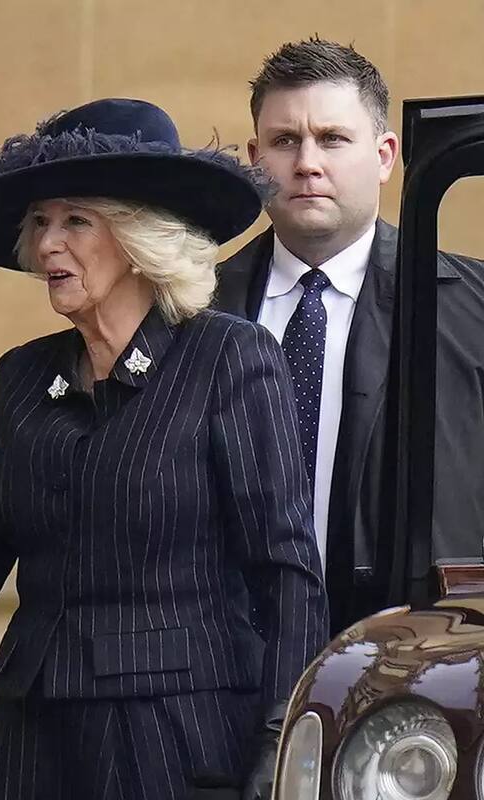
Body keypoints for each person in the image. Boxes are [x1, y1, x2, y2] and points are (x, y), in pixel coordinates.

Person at [0, 98, 328, 800]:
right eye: (39, 222)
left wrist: (283, 734)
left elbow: (284, 568)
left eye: (76, 221)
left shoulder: (230, 358)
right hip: (28, 732)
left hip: (170, 735)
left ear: (142, 238)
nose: (47, 246)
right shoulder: (23, 374)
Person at [215, 37, 484, 632]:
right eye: (285, 141)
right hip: (223, 665)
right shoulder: (191, 311)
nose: (307, 162)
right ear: (255, 157)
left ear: (386, 155)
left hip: (414, 659)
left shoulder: (475, 310)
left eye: (333, 139)